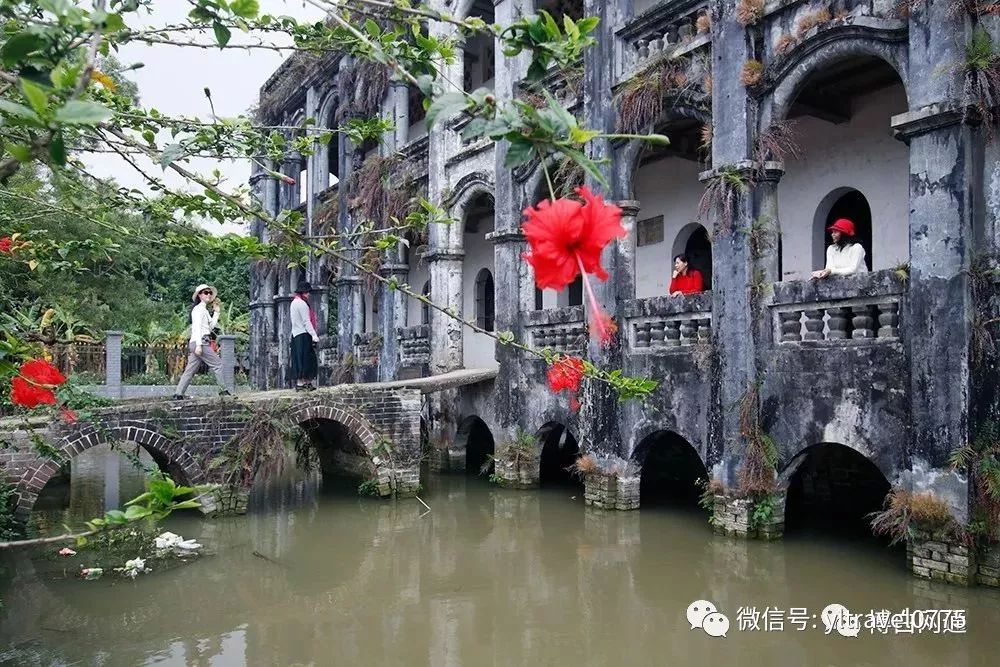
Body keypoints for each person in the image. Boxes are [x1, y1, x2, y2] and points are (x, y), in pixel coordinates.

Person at [172, 284, 230, 399]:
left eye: (210, 293)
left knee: (190, 369)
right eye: (205, 292)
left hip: (199, 342)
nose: (208, 294)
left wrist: (217, 313)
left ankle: (178, 394)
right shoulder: (198, 309)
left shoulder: (204, 310)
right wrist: (199, 345)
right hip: (200, 342)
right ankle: (223, 391)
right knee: (218, 364)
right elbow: (197, 328)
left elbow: (210, 327)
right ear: (199, 295)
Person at [290, 280, 320, 391]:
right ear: (303, 292)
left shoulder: (294, 303)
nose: (308, 294)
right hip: (303, 334)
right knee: (307, 359)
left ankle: (301, 383)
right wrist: (314, 335)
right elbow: (306, 321)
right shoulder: (302, 304)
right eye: (307, 292)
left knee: (299, 359)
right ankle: (305, 382)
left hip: (296, 334)